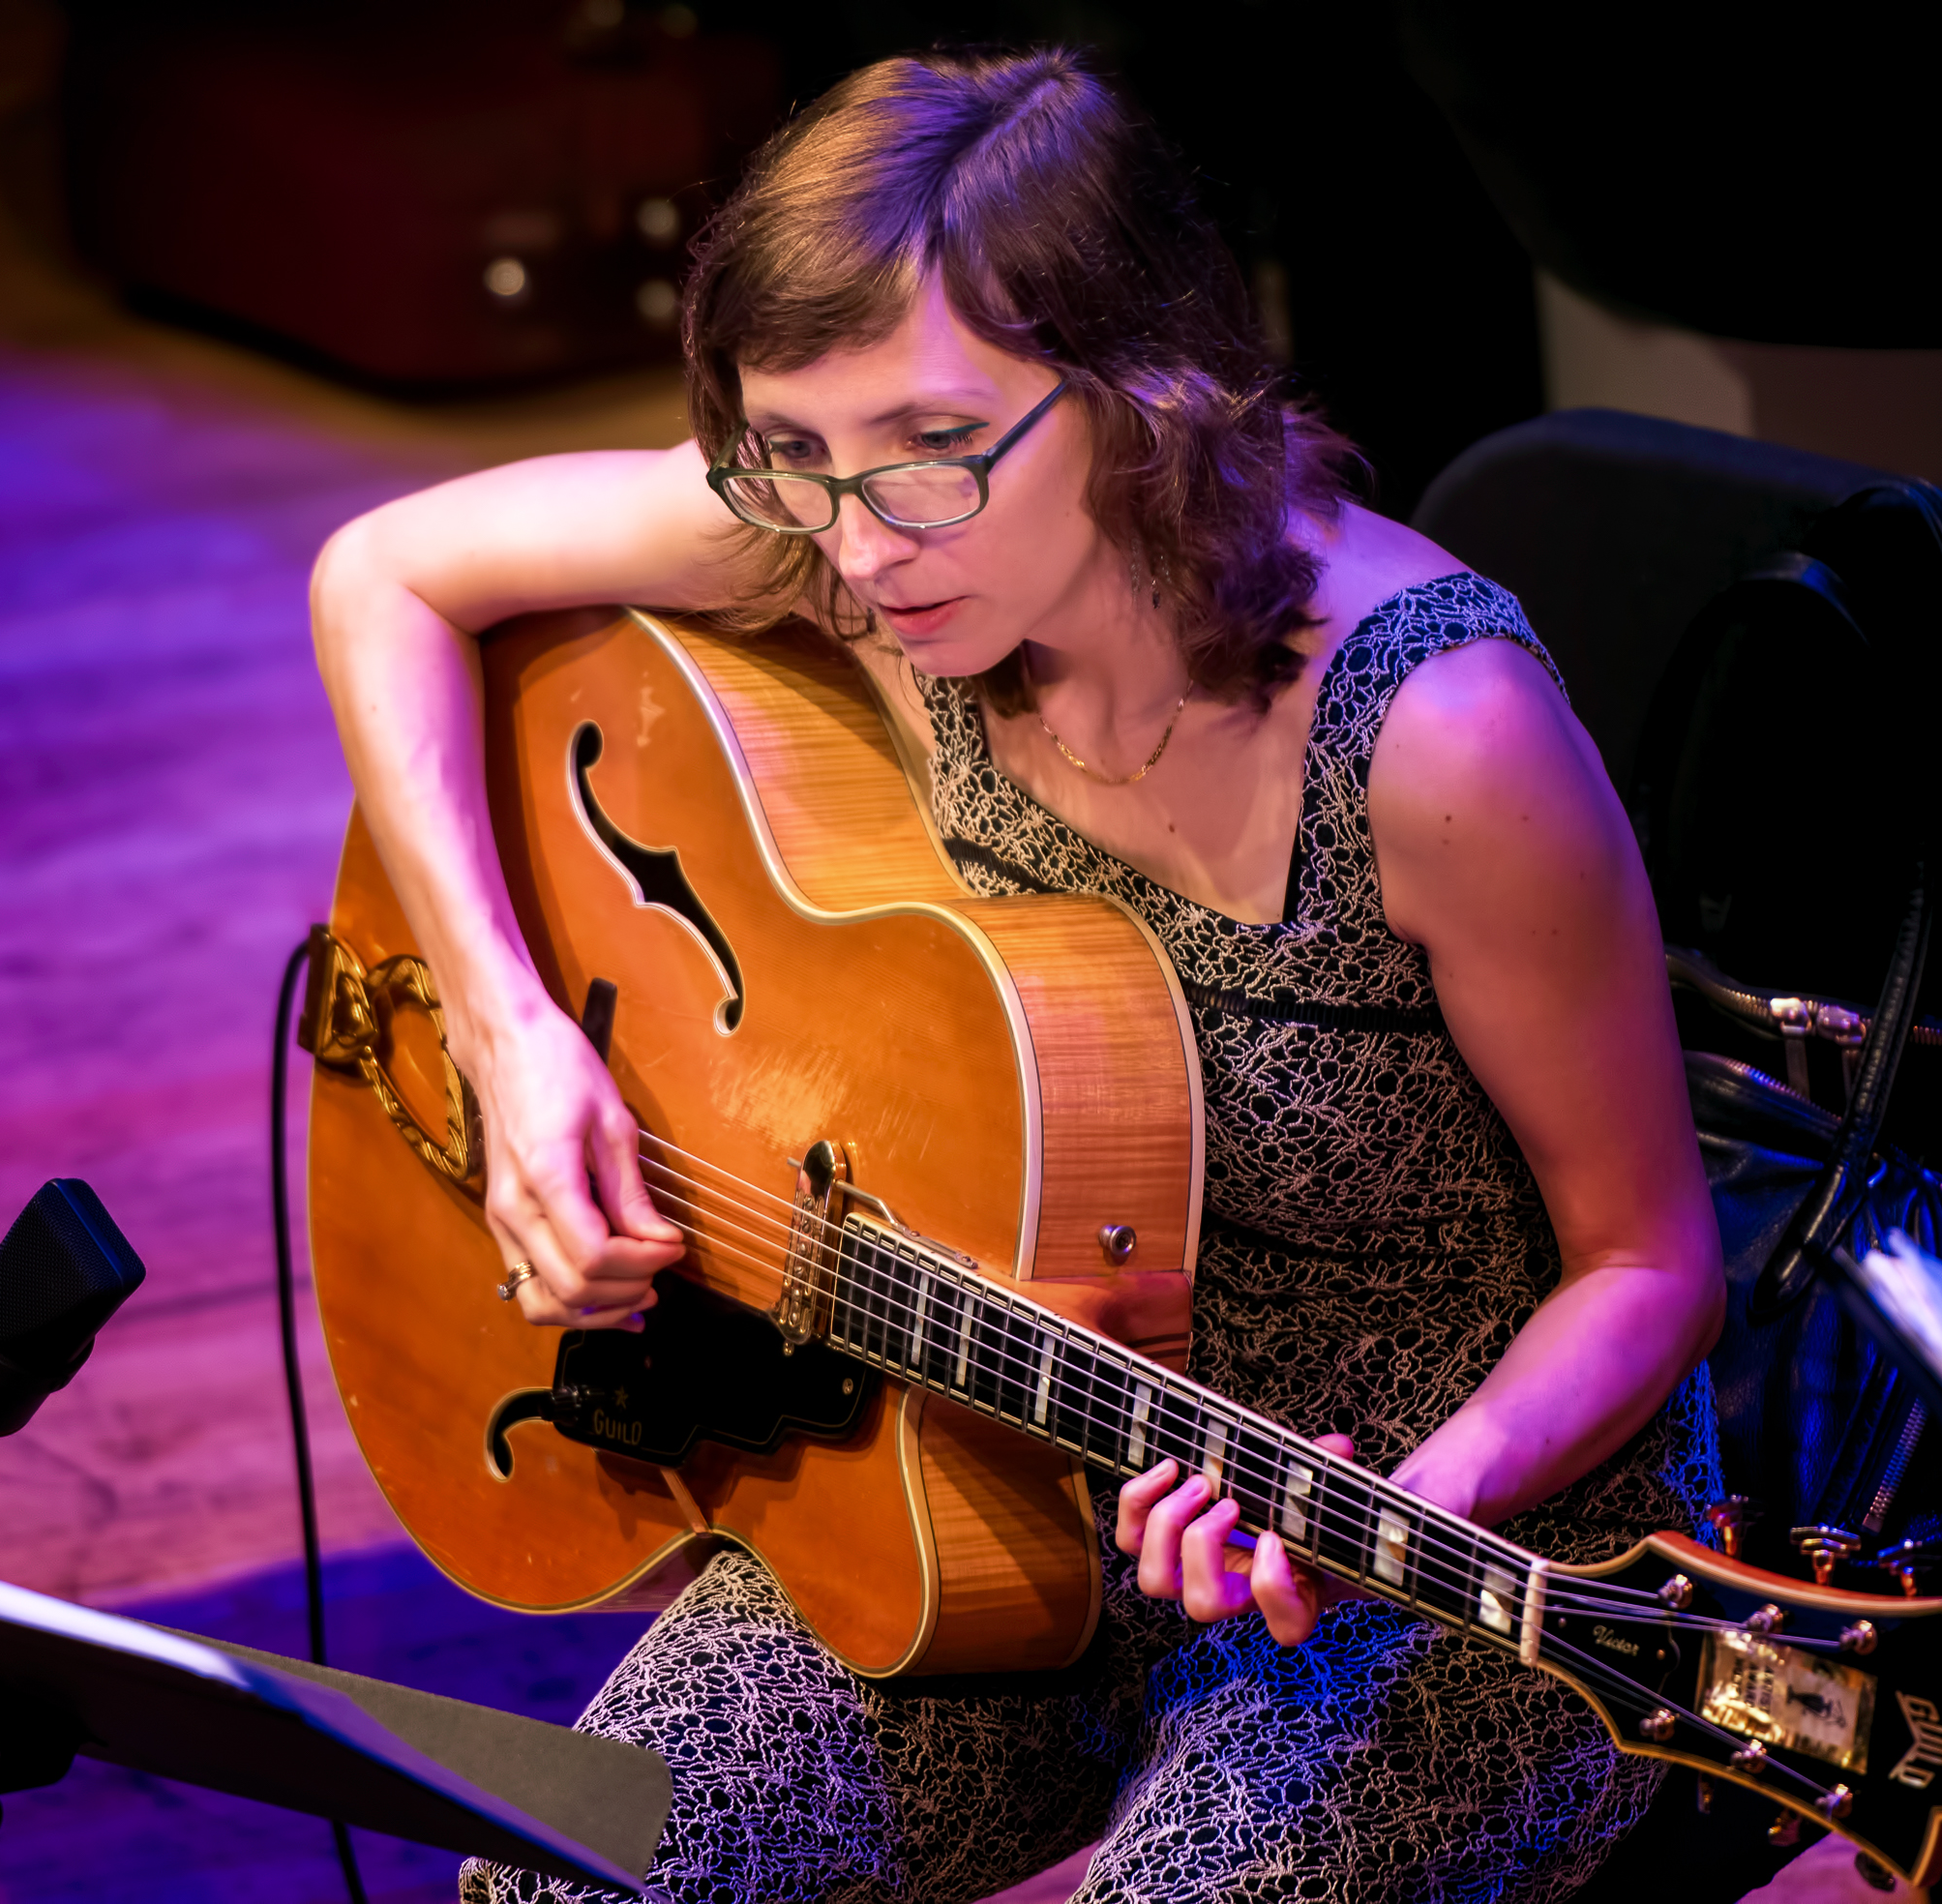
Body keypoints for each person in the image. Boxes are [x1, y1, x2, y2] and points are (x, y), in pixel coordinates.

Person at [311, 45, 1725, 1904]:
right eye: (790, 456)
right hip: (977, 1486)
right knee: (557, 1880)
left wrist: (1403, 1505)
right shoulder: (851, 540)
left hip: (1457, 1550)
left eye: (932, 455)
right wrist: (507, 1038)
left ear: (1143, 396)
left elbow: (1652, 1263)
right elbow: (384, 571)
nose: (860, 541)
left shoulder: (1437, 736)